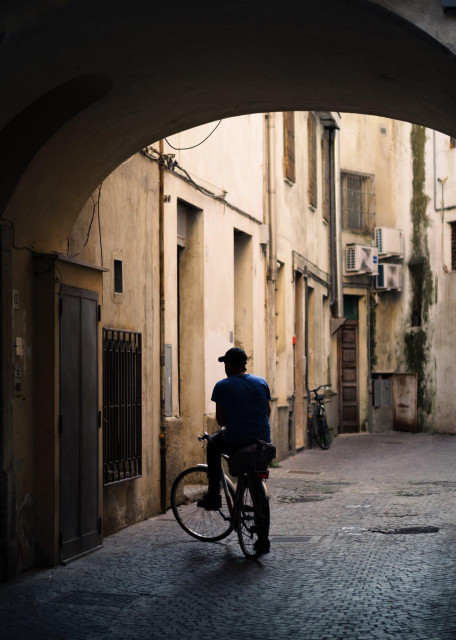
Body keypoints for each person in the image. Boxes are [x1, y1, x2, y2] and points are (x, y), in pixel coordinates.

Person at [197, 347, 272, 552]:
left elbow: (221, 420)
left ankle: (213, 496)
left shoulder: (222, 386)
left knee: (213, 444)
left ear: (230, 365)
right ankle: (263, 540)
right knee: (257, 486)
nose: (224, 367)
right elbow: (267, 412)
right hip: (263, 441)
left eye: (225, 363)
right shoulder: (261, 382)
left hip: (237, 439)